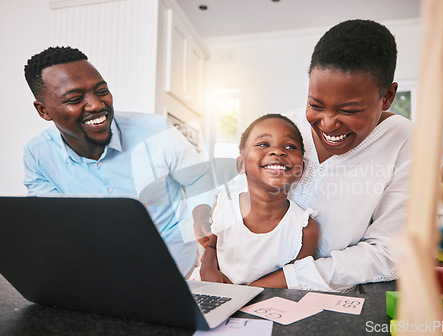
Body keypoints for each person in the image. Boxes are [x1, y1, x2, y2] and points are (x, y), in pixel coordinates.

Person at [195, 19, 413, 292]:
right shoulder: (284, 127)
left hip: (321, 297)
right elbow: (238, 198)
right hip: (236, 285)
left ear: (388, 97)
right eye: (315, 104)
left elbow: (388, 252)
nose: (328, 123)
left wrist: (274, 284)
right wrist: (209, 246)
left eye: (349, 110)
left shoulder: (406, 141)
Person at [23, 46, 215, 277]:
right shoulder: (38, 155)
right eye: (75, 98)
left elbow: (198, 178)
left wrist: (201, 216)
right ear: (44, 111)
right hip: (98, 267)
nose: (96, 105)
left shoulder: (157, 131)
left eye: (101, 90)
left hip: (172, 262)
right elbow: (54, 218)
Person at [199, 114, 319, 286]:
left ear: (301, 169)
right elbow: (212, 247)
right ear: (241, 165)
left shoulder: (305, 228)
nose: (278, 151)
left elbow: (296, 279)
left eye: (290, 146)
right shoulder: (224, 205)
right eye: (263, 144)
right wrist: (207, 269)